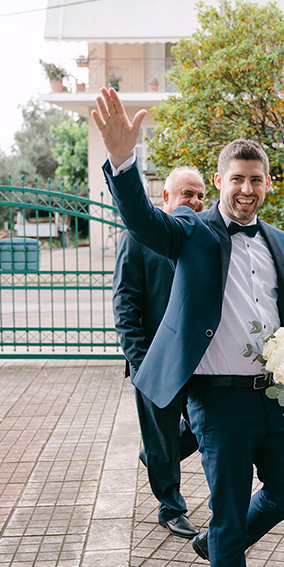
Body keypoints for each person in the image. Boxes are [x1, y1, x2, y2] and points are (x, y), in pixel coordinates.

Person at [92, 88, 284, 567]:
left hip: (274, 395)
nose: (246, 189)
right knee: (231, 507)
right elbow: (140, 219)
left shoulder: (278, 240)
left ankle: (217, 545)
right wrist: (123, 162)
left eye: (256, 179)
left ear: (266, 184)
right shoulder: (192, 232)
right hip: (218, 400)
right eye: (236, 179)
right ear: (219, 183)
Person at [112, 166, 206, 539]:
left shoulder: (206, 237)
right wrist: (140, 360)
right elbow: (125, 304)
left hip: (202, 360)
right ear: (165, 198)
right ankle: (170, 507)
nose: (196, 202)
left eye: (200, 195)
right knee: (161, 433)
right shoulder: (137, 238)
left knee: (204, 428)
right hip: (155, 360)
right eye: (187, 194)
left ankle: (156, 456)